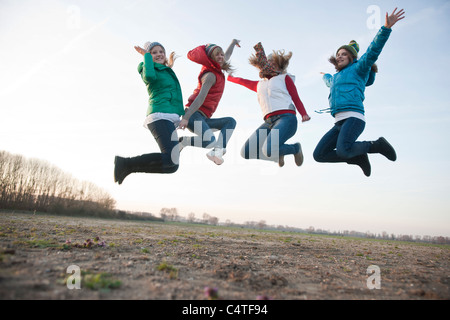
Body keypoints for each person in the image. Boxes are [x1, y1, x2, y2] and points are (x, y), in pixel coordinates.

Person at [313, 8, 405, 177]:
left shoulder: (358, 69)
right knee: (319, 155)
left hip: (354, 118)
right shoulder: (336, 77)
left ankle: (376, 145)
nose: (340, 56)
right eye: (338, 54)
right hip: (339, 122)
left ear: (353, 58)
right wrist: (325, 75)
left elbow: (372, 51)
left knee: (343, 150)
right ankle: (357, 157)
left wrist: (386, 28)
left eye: (344, 54)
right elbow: (329, 82)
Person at [228, 42, 310, 167]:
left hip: (286, 119)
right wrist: (229, 78)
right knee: (246, 152)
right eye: (268, 62)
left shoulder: (285, 78)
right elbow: (243, 81)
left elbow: (295, 97)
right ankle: (278, 154)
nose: (270, 64)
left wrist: (303, 113)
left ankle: (295, 148)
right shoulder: (260, 84)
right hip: (268, 122)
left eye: (273, 63)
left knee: (269, 149)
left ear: (279, 66)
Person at [114, 41, 184, 185]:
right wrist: (145, 56)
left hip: (169, 118)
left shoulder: (166, 70)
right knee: (170, 159)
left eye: (161, 51)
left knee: (173, 166)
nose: (159, 54)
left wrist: (182, 114)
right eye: (154, 52)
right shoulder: (147, 67)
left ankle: (128, 167)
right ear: (148, 55)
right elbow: (149, 78)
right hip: (159, 115)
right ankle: (124, 163)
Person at [177, 39, 240, 165]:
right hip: (193, 115)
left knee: (230, 122)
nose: (221, 57)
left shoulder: (218, 67)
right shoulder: (210, 75)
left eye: (221, 54)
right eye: (217, 55)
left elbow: (227, 55)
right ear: (211, 58)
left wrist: (233, 43)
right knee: (209, 141)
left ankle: (217, 151)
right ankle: (183, 141)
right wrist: (186, 117)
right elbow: (200, 98)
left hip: (203, 118)